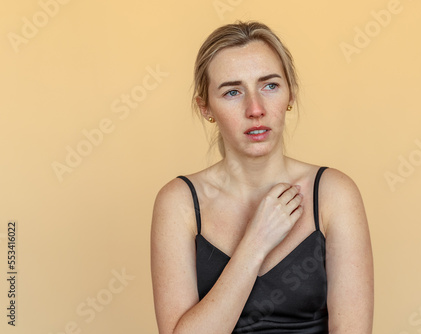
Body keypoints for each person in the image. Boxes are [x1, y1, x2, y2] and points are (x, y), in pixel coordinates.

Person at [151, 21, 374, 334]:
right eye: (232, 92)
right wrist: (255, 242)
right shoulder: (178, 203)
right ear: (206, 108)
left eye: (270, 86)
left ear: (290, 94)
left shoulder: (334, 194)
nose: (255, 109)